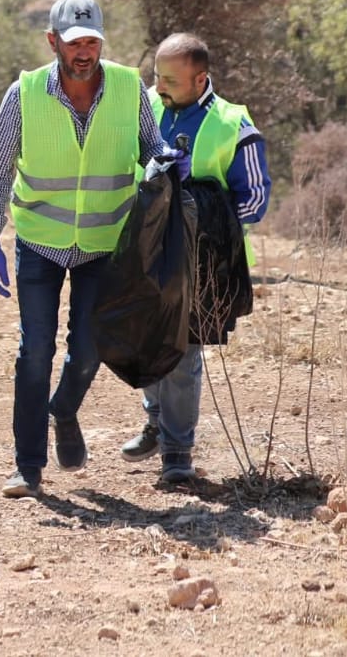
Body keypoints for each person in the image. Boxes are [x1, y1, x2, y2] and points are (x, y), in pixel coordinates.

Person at [0, 0, 169, 499]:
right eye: (74, 42)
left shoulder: (129, 88)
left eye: (92, 42)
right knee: (34, 350)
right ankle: (28, 466)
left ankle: (63, 409)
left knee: (88, 349)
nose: (84, 52)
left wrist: (168, 161)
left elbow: (154, 149)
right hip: (40, 239)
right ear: (52, 41)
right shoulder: (24, 93)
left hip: (105, 242)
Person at [120, 32, 270, 484]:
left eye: (169, 79)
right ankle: (156, 417)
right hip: (142, 252)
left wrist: (197, 207)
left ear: (199, 78)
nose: (158, 86)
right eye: (155, 76)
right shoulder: (142, 109)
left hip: (202, 262)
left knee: (183, 355)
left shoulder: (233, 125)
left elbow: (255, 201)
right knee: (135, 340)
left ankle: (177, 455)